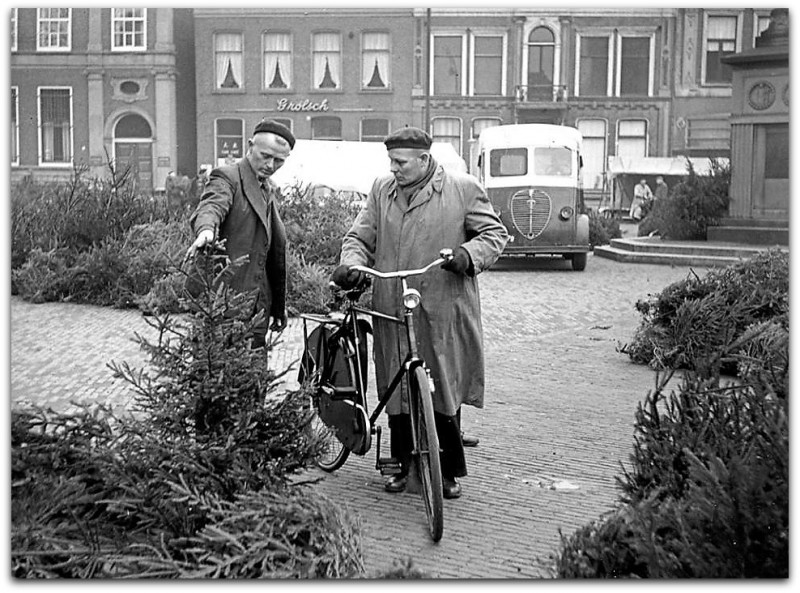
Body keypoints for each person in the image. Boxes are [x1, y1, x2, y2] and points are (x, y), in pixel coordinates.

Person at [331, 126, 508, 499]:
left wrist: (466, 256)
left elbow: (494, 234)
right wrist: (352, 264)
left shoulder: (461, 188)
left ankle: (446, 472)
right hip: (391, 306)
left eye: (400, 162)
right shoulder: (382, 190)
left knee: (441, 385)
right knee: (395, 383)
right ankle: (398, 465)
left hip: (442, 305)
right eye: (391, 161)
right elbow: (359, 238)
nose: (393, 168)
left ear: (424, 160)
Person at [185, 119, 294, 348]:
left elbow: (270, 250)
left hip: (257, 309)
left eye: (279, 161)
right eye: (265, 156)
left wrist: (276, 305)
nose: (270, 164)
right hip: (222, 305)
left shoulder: (269, 188)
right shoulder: (226, 177)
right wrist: (206, 231)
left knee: (254, 377)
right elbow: (212, 206)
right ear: (250, 145)